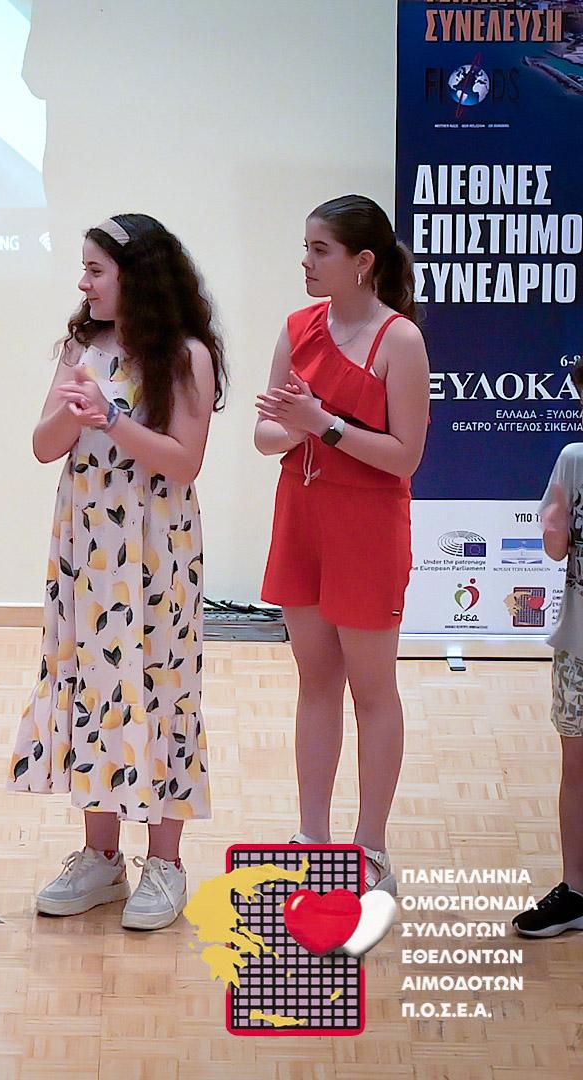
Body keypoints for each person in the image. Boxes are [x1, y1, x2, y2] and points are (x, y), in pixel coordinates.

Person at [11, 214, 225, 932]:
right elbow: (43, 446)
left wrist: (111, 419)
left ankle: (165, 862)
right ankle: (101, 856)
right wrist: (75, 414)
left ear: (137, 277)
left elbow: (183, 461)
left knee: (159, 684)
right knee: (90, 681)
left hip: (158, 547)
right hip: (88, 544)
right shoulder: (84, 346)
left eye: (96, 270)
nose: (84, 282)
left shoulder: (188, 355)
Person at [255, 195, 429, 894]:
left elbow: (405, 456)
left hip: (368, 525)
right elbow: (265, 435)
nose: (305, 261)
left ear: (362, 262)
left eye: (319, 249)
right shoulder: (296, 327)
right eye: (305, 247)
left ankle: (372, 846)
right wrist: (299, 425)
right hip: (302, 513)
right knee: (315, 680)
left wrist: (321, 423)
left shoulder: (400, 340)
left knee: (372, 689)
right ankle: (312, 835)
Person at [515, 413, 583, 938]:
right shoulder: (573, 459)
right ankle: (576, 889)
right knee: (576, 768)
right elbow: (556, 546)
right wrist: (554, 527)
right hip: (577, 648)